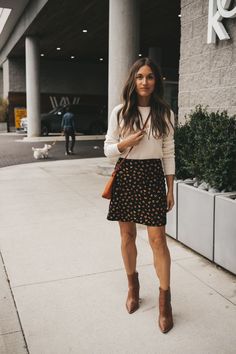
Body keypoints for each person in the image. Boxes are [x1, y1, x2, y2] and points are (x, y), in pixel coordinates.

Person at [104, 57, 175, 333]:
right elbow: (108, 149)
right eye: (140, 77)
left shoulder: (165, 113)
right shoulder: (120, 113)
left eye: (150, 77)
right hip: (127, 177)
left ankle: (165, 302)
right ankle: (133, 287)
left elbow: (168, 153)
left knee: (158, 240)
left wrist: (171, 188)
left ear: (157, 81)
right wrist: (125, 143)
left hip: (153, 177)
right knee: (127, 236)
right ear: (133, 81)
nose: (145, 82)